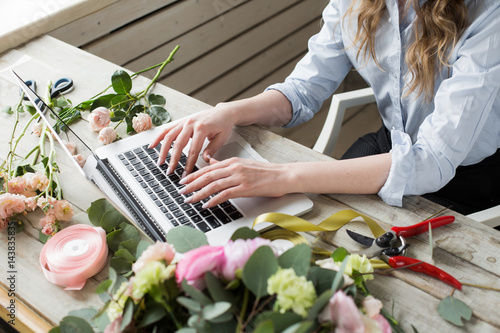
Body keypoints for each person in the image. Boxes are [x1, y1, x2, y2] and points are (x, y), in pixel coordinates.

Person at [150, 0, 500, 215]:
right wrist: (228, 111)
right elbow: (302, 91)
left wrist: (282, 176)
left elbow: (433, 161)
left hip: (470, 180)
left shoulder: (488, 13)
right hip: (390, 145)